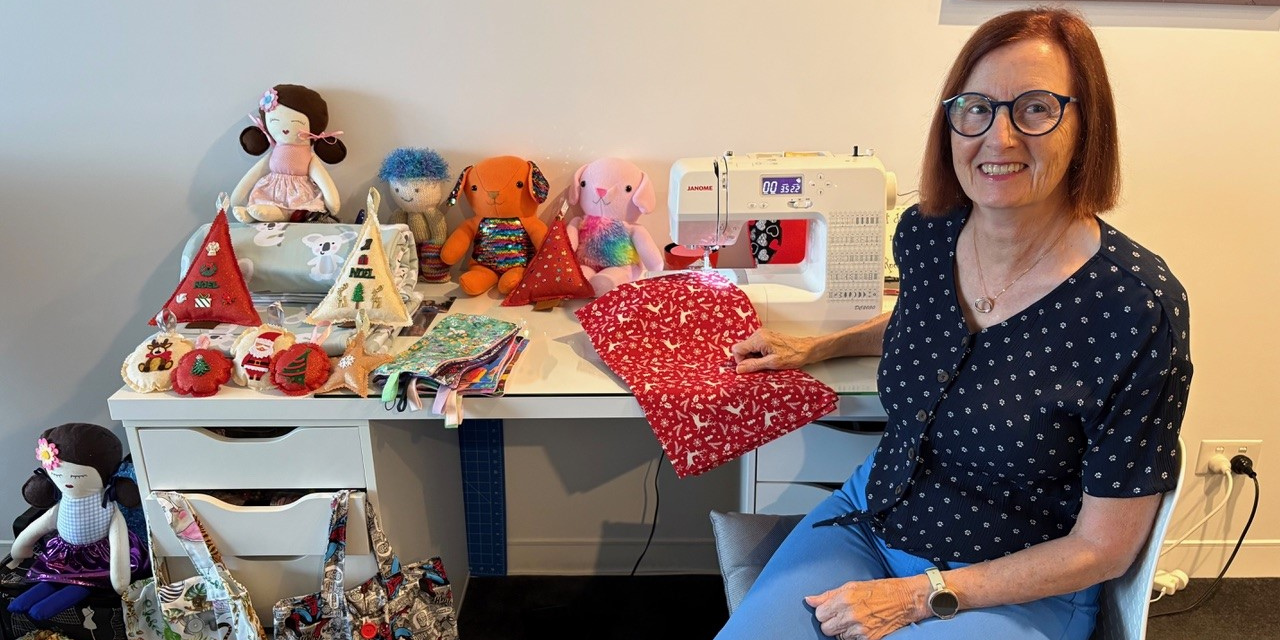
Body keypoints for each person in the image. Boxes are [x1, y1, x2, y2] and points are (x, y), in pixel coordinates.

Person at [719, 7, 1191, 640]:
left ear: (1086, 125)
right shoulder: (927, 232)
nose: (998, 139)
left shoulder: (1132, 308)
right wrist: (816, 346)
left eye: (1035, 108)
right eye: (975, 108)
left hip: (1010, 576)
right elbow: (921, 318)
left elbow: (1103, 548)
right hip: (873, 515)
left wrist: (921, 595)